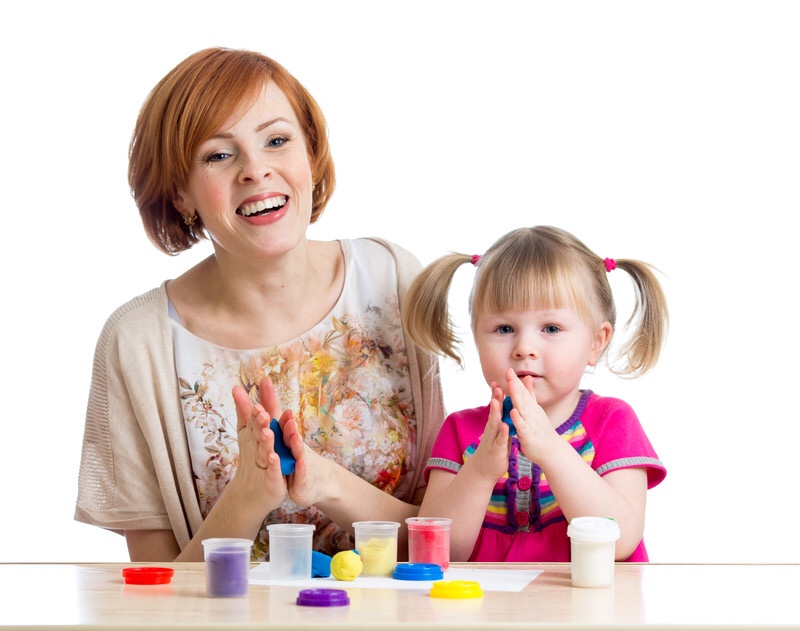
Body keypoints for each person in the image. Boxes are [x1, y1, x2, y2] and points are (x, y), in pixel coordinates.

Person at [74, 47, 445, 562]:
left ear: (309, 155)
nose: (256, 170)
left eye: (276, 140)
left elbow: (445, 538)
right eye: (218, 155)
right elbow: (154, 600)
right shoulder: (138, 344)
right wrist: (247, 496)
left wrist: (326, 483)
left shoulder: (393, 279)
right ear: (181, 193)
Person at [402, 225, 668, 562]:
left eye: (551, 329)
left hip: (590, 610)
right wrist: (481, 470)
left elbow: (619, 541)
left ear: (596, 342)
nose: (524, 348)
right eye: (504, 329)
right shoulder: (462, 432)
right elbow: (437, 552)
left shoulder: (612, 421)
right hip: (487, 612)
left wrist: (550, 450)